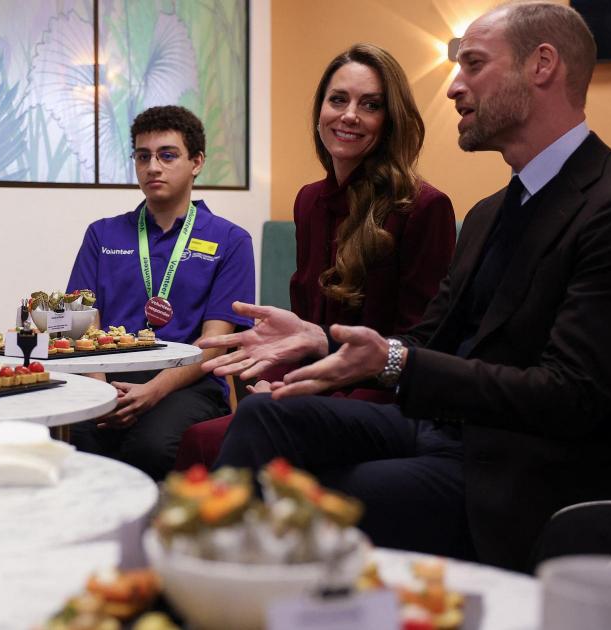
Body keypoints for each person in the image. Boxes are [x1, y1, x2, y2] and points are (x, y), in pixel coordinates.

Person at [202, 2, 611, 572]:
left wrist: (395, 364)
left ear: (543, 65)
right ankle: (208, 579)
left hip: (515, 461)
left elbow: (570, 395)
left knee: (310, 496)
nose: (454, 87)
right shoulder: (488, 214)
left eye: (473, 64)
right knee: (264, 418)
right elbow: (424, 340)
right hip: (437, 430)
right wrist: (322, 342)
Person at [174, 43, 456, 470]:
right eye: (338, 99)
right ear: (320, 110)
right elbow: (307, 329)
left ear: (390, 120)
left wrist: (300, 391)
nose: (349, 115)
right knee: (197, 436)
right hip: (316, 388)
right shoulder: (309, 201)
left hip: (383, 399)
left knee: (243, 427)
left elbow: (421, 347)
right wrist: (278, 379)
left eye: (370, 105)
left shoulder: (422, 207)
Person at [66, 105, 255, 481]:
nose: (153, 166)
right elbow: (80, 323)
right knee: (74, 435)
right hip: (104, 376)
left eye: (167, 155)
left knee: (150, 446)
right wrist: (100, 392)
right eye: (143, 156)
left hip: (189, 381)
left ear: (196, 161)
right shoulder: (102, 234)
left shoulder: (230, 241)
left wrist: (152, 391)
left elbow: (215, 344)